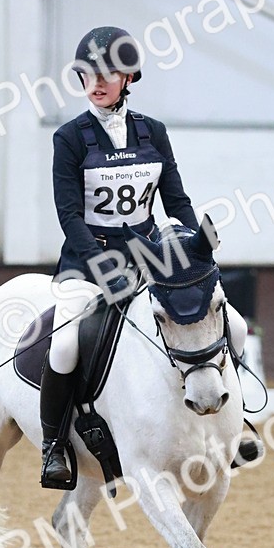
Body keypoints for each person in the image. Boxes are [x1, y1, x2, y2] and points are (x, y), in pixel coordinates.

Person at [39, 25, 251, 486]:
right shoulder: (69, 138)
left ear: (128, 77)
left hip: (150, 256)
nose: (95, 83)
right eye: (87, 74)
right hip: (87, 259)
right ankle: (54, 444)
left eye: (107, 73)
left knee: (230, 323)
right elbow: (69, 216)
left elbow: (175, 202)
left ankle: (234, 421)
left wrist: (195, 248)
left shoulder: (153, 132)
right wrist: (102, 266)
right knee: (65, 340)